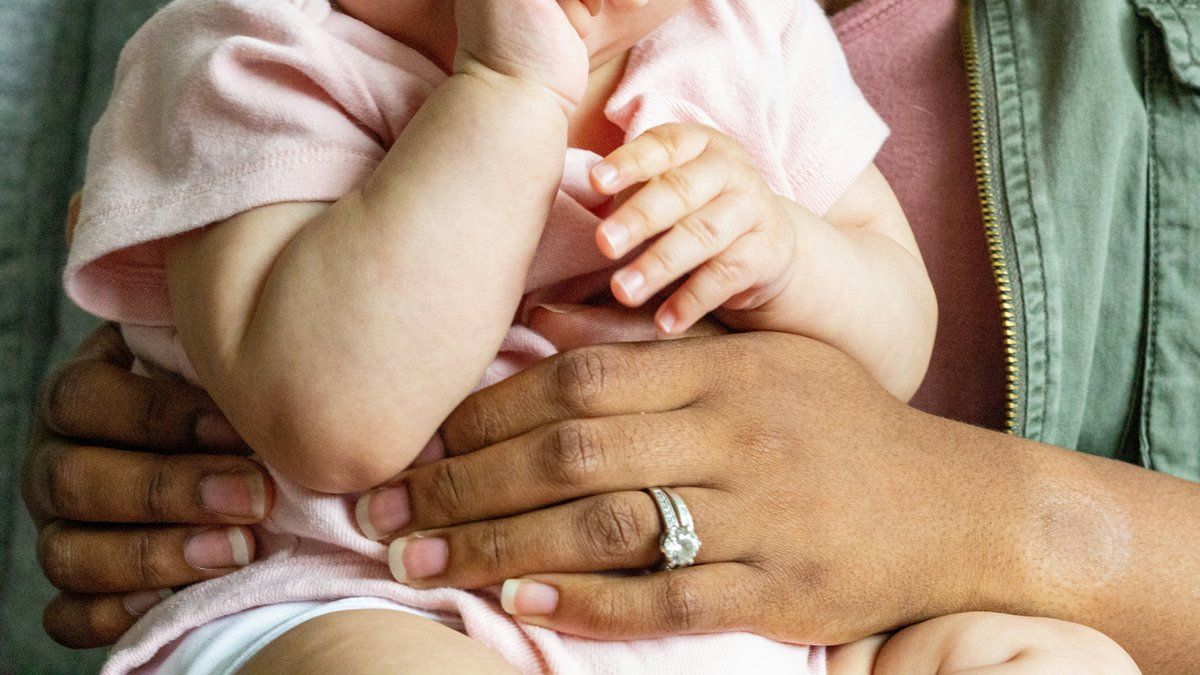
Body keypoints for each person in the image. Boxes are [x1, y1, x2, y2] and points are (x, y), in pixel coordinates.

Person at [22, 0, 1200, 672]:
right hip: (382, 603)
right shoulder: (257, 53)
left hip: (770, 643)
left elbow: (895, 338)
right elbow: (336, 425)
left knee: (1051, 667)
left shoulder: (742, 36)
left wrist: (792, 253)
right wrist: (504, 96)